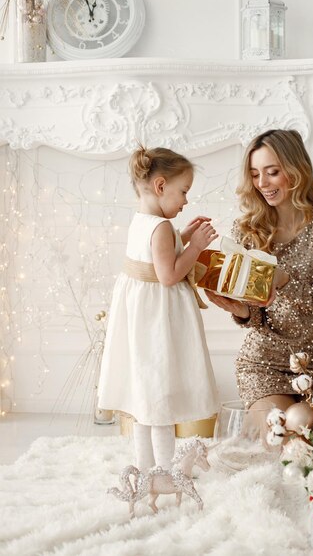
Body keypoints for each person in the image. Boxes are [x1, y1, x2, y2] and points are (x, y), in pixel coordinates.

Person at [205, 129, 313, 415]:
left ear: (296, 170)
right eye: (255, 174)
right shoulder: (246, 229)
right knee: (278, 429)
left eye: (272, 172)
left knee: (304, 428)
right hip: (263, 363)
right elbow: (257, 314)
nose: (262, 183)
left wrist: (282, 280)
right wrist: (242, 311)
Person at [97, 146, 219, 471]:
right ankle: (165, 471)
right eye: (184, 191)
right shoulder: (161, 227)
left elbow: (157, 252)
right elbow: (169, 274)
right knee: (160, 397)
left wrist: (183, 236)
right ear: (161, 186)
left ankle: (145, 466)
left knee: (144, 400)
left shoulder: (142, 220)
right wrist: (195, 246)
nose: (186, 201)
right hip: (157, 323)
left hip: (140, 319)